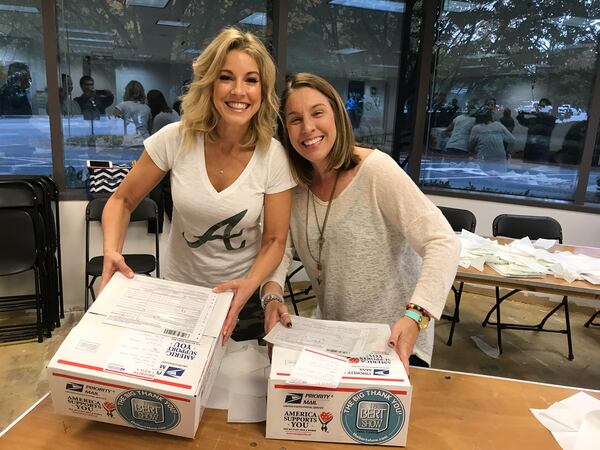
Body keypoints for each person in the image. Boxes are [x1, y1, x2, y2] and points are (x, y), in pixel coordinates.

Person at [99, 28, 295, 343]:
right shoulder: (176, 138)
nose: (239, 91)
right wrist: (111, 250)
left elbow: (275, 240)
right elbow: (121, 201)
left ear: (263, 89)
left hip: (243, 298)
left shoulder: (273, 157)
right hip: (180, 296)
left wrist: (250, 285)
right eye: (226, 77)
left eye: (251, 80)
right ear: (209, 83)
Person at [261, 73, 460, 372]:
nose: (308, 127)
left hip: (395, 340)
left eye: (318, 113)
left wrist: (417, 316)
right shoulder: (294, 184)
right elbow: (279, 246)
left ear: (337, 116)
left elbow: (443, 241)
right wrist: (272, 293)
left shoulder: (377, 171)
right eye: (295, 119)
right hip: (335, 337)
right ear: (285, 130)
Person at [517, 98, 556, 163]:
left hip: (541, 153)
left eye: (543, 106)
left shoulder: (551, 120)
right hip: (529, 151)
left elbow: (547, 122)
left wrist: (537, 114)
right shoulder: (534, 120)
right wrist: (520, 114)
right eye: (539, 106)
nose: (540, 108)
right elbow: (523, 121)